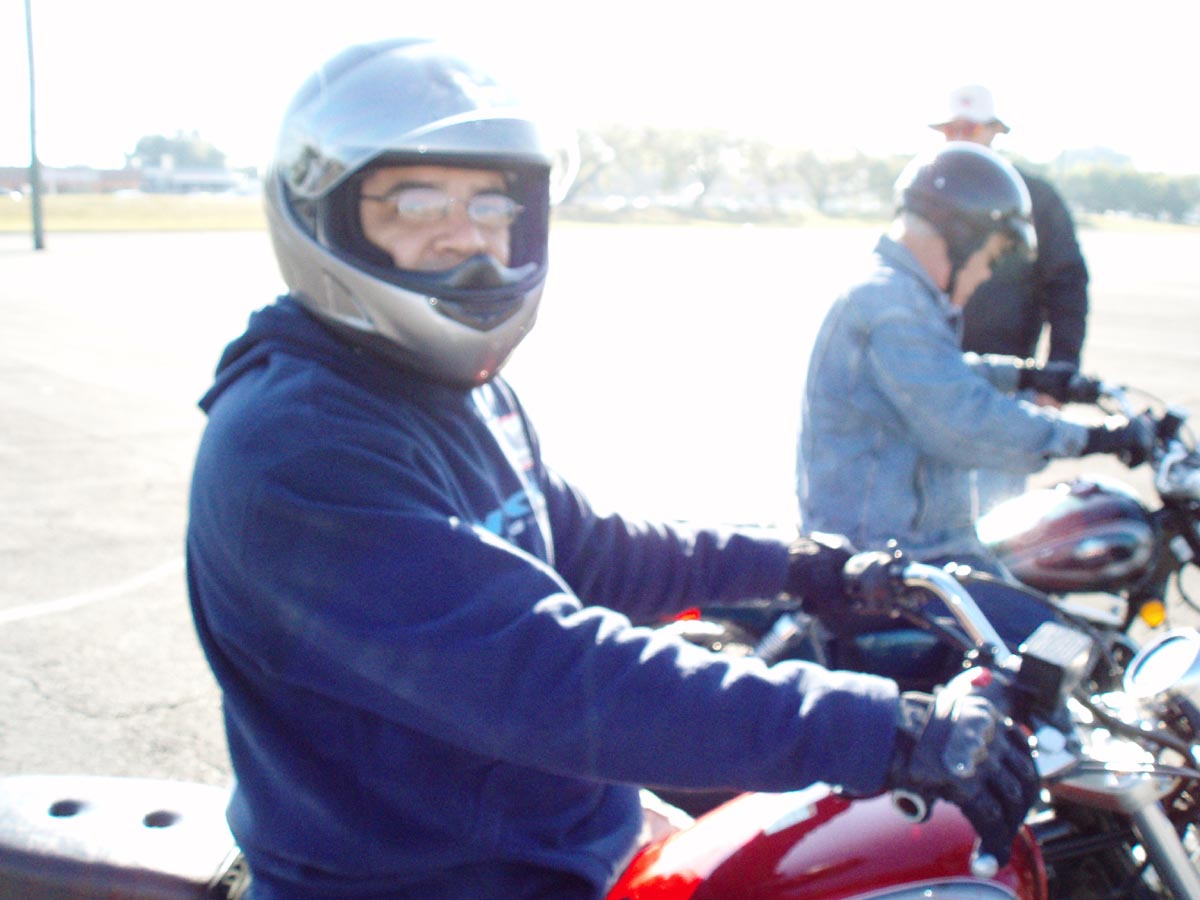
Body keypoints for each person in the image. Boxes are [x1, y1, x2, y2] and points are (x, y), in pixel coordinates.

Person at [187, 39, 1037, 900]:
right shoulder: (299, 447)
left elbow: (590, 547)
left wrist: (802, 566)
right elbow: (543, 676)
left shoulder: (449, 387)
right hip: (430, 880)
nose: (469, 238)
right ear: (327, 217)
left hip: (547, 839)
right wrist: (885, 729)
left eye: (491, 203)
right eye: (415, 203)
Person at [795, 140, 1149, 643]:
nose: (986, 274)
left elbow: (943, 374)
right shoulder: (891, 306)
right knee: (1060, 651)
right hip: (890, 562)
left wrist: (1029, 377)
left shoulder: (899, 293)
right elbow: (963, 422)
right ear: (960, 237)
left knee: (1050, 631)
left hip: (923, 546)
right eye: (991, 256)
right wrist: (1096, 439)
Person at [930, 84, 1092, 512]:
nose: (959, 138)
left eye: (969, 128)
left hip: (1008, 388)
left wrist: (1058, 375)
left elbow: (1067, 286)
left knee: (995, 514)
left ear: (994, 131)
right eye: (950, 130)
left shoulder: (1035, 198)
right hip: (931, 382)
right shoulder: (927, 196)